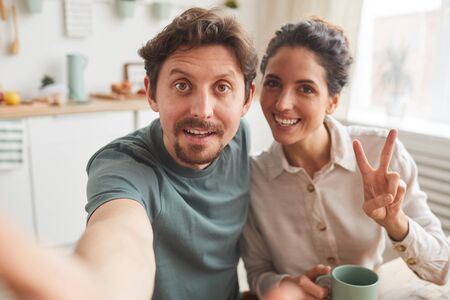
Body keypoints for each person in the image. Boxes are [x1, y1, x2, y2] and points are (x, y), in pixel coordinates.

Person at [0, 7, 257, 300]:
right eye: (182, 85)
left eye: (222, 87)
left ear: (246, 99)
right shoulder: (123, 166)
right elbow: (121, 239)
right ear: (151, 93)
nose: (202, 110)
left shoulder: (239, 140)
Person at [241, 17, 450, 299]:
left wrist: (395, 222)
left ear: (333, 101)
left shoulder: (381, 154)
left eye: (306, 88)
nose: (282, 103)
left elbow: (441, 268)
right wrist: (292, 282)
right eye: (274, 83)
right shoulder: (254, 177)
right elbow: (257, 274)